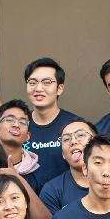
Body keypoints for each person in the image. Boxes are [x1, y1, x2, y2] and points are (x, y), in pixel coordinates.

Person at [21, 57, 83, 186]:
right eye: (32, 82)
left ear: (59, 88)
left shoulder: (74, 126)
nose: (38, 88)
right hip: (26, 202)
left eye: (47, 82)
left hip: (66, 202)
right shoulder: (19, 125)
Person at [0, 98, 49, 198]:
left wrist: (17, 178)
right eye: (9, 120)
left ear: (28, 136)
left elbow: (44, 214)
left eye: (22, 122)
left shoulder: (38, 173)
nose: (16, 125)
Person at [39, 118, 95, 214]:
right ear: (63, 154)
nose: (73, 141)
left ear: (97, 143)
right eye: (66, 139)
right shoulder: (52, 190)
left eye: (80, 135)